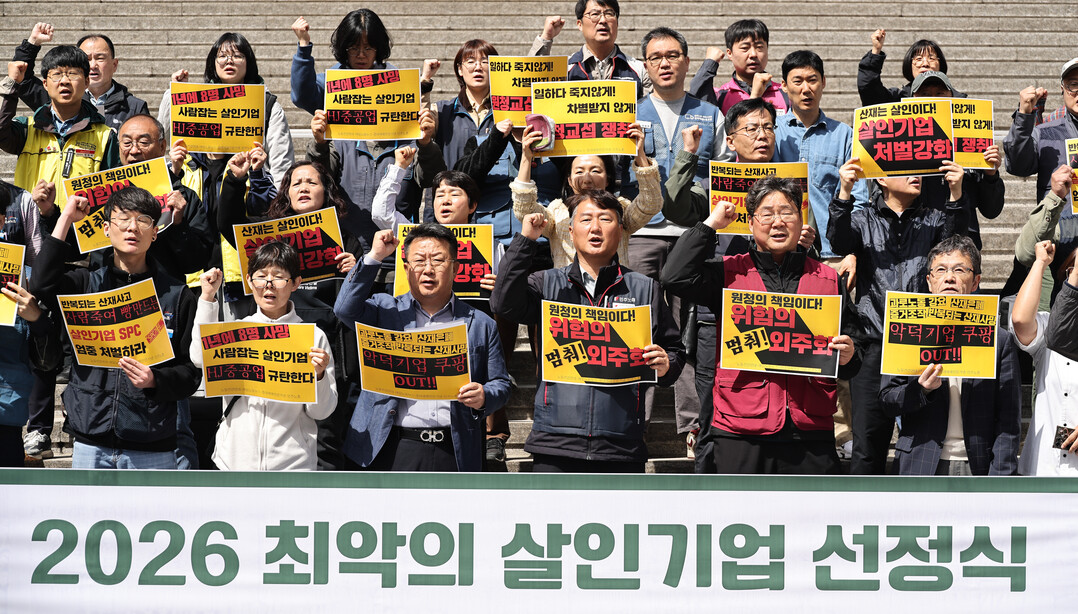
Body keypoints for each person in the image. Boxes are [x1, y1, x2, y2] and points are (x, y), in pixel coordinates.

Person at [661, 176, 860, 473]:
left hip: (810, 429)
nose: (777, 222)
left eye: (787, 212)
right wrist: (710, 225)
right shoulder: (728, 273)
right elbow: (673, 276)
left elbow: (855, 354)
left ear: (801, 220)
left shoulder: (828, 279)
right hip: (739, 428)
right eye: (767, 214)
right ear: (751, 224)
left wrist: (849, 355)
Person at [492, 190, 685, 472]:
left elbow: (675, 352)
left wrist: (666, 365)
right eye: (585, 219)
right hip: (554, 442)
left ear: (621, 230)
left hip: (621, 445)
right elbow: (503, 303)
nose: (595, 227)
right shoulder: (546, 283)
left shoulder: (645, 288)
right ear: (570, 232)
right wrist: (525, 241)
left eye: (605, 219)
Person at [31, 186, 199, 469]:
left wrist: (155, 380)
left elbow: (191, 373)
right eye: (123, 219)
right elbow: (41, 284)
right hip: (90, 441)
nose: (132, 227)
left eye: (143, 220)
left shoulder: (177, 295)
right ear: (106, 229)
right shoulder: (85, 284)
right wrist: (65, 218)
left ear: (155, 232)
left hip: (152, 444)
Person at [218, 159, 364, 470]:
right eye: (296, 183)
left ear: (327, 191)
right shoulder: (270, 236)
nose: (304, 188)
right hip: (272, 349)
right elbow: (228, 223)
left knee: (326, 439)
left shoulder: (346, 238)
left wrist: (357, 270)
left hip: (325, 350)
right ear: (286, 192)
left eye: (312, 182)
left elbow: (354, 302)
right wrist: (234, 181)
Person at [828, 157, 969, 474]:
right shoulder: (863, 219)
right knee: (867, 447)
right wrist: (845, 191)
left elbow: (958, 247)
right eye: (906, 171)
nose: (916, 176)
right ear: (880, 179)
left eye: (919, 170)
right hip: (873, 345)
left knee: (921, 442)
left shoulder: (934, 219)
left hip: (921, 342)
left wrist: (956, 193)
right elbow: (838, 240)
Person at [333, 223, 509, 471]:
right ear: (406, 269)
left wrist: (483, 396)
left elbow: (501, 384)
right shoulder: (384, 310)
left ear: (455, 268)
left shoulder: (481, 323)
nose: (428, 269)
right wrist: (374, 257)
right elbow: (344, 309)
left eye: (438, 260)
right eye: (418, 261)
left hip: (455, 448)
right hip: (390, 445)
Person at [880, 236, 1020, 476]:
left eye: (959, 270)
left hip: (978, 466)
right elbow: (887, 400)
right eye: (940, 270)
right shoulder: (906, 332)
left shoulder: (999, 341)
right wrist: (921, 390)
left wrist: (1001, 477)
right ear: (929, 281)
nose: (949, 277)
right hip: (920, 463)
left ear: (976, 281)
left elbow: (1008, 419)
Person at [191, 241, 337, 471]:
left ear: (296, 283)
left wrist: (319, 377)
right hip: (233, 464)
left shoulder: (313, 337)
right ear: (249, 281)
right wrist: (207, 298)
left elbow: (321, 412)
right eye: (261, 277)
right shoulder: (237, 331)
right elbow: (200, 358)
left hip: (292, 467)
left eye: (279, 277)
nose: (269, 286)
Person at [513, 122, 659, 268]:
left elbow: (650, 203)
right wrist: (526, 157)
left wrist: (640, 154)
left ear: (608, 179)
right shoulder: (557, 212)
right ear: (569, 180)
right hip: (566, 283)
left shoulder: (621, 209)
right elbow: (525, 210)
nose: (587, 179)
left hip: (615, 282)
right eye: (579, 171)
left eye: (595, 171)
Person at [157, 32, 294, 185]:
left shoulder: (267, 105)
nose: (229, 61)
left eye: (237, 56)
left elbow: (281, 161)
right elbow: (164, 136)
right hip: (202, 189)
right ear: (213, 63)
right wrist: (175, 93)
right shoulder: (198, 102)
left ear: (248, 62)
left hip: (250, 190)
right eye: (222, 56)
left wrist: (278, 195)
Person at [1002, 59, 1078, 298]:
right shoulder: (1046, 132)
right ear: (1062, 90)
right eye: (1073, 84)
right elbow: (1018, 165)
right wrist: (1024, 116)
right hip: (1059, 251)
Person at [908, 71, 1003, 250]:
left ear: (952, 97)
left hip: (963, 244)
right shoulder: (900, 142)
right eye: (925, 94)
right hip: (915, 244)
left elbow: (991, 210)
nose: (933, 100)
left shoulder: (972, 138)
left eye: (940, 94)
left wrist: (990, 175)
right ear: (912, 99)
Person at [0, 53, 120, 191]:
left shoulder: (105, 136)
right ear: (45, 84)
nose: (64, 81)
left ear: (86, 82)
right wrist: (12, 83)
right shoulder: (27, 129)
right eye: (57, 74)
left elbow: (113, 190)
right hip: (33, 206)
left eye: (73, 74)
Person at [1010, 240, 1078, 475]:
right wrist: (1040, 263)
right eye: (1072, 270)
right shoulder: (1049, 328)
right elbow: (1020, 320)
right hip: (1044, 468)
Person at [12, 24, 149, 131]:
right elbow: (22, 77)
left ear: (114, 65)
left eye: (100, 58)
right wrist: (32, 43)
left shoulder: (135, 107)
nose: (93, 65)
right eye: (87, 59)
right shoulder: (60, 98)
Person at [529, 0, 649, 97]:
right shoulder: (565, 69)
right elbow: (530, 88)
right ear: (580, 24)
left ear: (617, 23)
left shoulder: (639, 70)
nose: (603, 20)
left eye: (609, 13)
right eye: (595, 14)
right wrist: (546, 38)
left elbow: (651, 111)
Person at [688, 19, 789, 115]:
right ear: (729, 53)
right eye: (745, 48)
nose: (753, 54)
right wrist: (710, 63)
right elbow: (696, 99)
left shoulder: (786, 93)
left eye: (759, 47)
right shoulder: (721, 95)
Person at [432, 39, 498, 172]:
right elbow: (421, 130)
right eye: (471, 62)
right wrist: (425, 81)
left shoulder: (506, 110)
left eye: (485, 62)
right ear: (460, 69)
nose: (478, 67)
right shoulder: (442, 111)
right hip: (453, 184)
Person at [857, 31, 966, 106]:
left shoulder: (961, 103)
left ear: (940, 64)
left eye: (931, 58)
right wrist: (876, 52)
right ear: (909, 65)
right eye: (919, 59)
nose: (925, 63)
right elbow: (869, 90)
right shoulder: (897, 100)